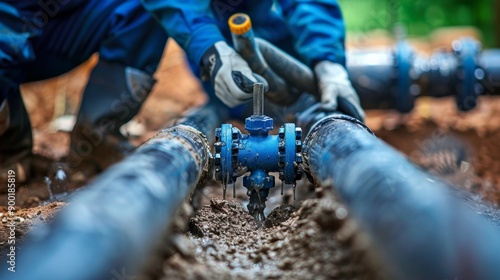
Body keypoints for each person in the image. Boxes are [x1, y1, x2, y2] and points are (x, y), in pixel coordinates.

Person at [0, 0, 167, 183]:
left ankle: (95, 145)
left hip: (46, 28)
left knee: (145, 6)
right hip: (10, 33)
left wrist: (204, 47)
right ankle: (9, 154)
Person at [141, 0, 365, 121]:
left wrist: (328, 62)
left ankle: (307, 99)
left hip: (268, 33)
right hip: (212, 41)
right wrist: (211, 52)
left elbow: (309, 3)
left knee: (307, 93)